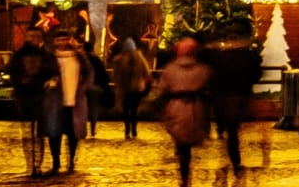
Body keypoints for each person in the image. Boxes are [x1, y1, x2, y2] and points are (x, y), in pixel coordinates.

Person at [203, 17, 263, 171]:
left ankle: (234, 156)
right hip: (239, 95)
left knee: (232, 129)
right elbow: (256, 73)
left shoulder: (220, 56)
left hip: (224, 96)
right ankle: (235, 158)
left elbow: (211, 73)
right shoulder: (247, 56)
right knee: (234, 128)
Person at [156, 35, 212, 187]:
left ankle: (184, 174)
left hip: (176, 107)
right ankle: (185, 171)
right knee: (187, 142)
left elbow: (162, 90)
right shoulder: (203, 70)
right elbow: (209, 90)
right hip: (195, 108)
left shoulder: (170, 69)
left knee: (181, 144)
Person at [7, 32, 59, 176]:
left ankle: (37, 164)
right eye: (31, 36)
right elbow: (11, 70)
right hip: (24, 96)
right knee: (27, 133)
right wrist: (21, 81)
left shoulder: (46, 56)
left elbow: (52, 71)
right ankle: (31, 164)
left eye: (37, 36)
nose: (34, 39)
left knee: (39, 133)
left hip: (40, 96)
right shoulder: (18, 55)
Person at [49, 26, 92, 172]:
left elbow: (89, 71)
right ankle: (56, 160)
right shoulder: (51, 57)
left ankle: (71, 159)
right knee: (54, 132)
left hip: (75, 100)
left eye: (65, 39)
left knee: (73, 132)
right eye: (59, 40)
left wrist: (84, 87)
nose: (62, 42)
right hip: (55, 101)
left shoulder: (78, 56)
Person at [108, 36, 153, 138]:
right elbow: (147, 72)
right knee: (134, 109)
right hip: (137, 88)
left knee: (126, 109)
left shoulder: (119, 60)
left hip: (124, 89)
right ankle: (134, 129)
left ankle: (127, 128)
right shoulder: (140, 59)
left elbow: (115, 75)